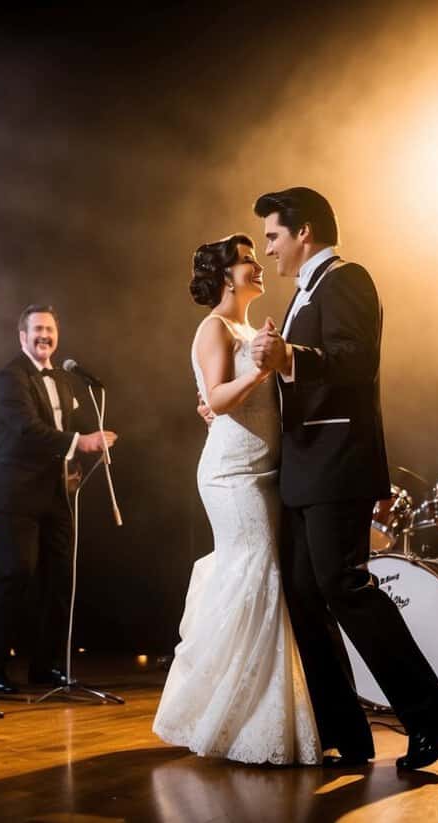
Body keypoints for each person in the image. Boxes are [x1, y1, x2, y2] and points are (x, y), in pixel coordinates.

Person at [249, 187, 438, 770]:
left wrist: (289, 355)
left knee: (343, 585)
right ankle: (346, 731)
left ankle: (428, 716)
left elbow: (354, 359)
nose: (269, 249)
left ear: (305, 233)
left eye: (273, 236)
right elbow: (293, 376)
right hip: (302, 467)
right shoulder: (302, 293)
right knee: (300, 593)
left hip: (338, 463)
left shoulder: (347, 279)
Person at [154, 235, 320, 765]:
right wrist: (260, 370)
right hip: (231, 473)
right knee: (258, 576)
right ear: (227, 275)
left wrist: (266, 365)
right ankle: (233, 717)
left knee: (261, 577)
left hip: (265, 471)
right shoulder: (214, 327)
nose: (258, 265)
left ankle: (249, 712)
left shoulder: (251, 329)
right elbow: (219, 400)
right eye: (248, 259)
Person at [0, 304, 118, 693]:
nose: (44, 336)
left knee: (60, 578)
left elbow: (68, 427)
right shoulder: (9, 378)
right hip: (17, 489)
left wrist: (92, 442)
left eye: (50, 329)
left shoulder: (64, 378)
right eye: (37, 329)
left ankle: (48, 666)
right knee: (16, 573)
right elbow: (26, 431)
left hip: (56, 491)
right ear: (22, 336)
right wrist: (80, 442)